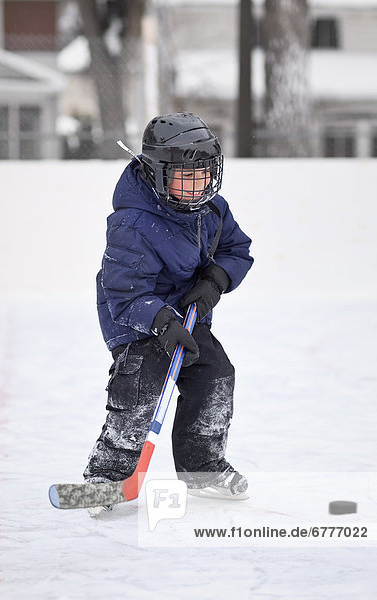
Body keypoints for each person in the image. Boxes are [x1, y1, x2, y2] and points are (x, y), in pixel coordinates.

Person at [83, 112, 254, 502]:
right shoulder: (133, 223)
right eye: (186, 175)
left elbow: (236, 249)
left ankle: (201, 468)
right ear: (157, 173)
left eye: (205, 173)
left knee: (215, 377)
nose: (199, 184)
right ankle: (106, 479)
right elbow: (124, 293)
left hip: (187, 316)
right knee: (141, 391)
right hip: (137, 320)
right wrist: (160, 321)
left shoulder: (212, 208)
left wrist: (215, 281)